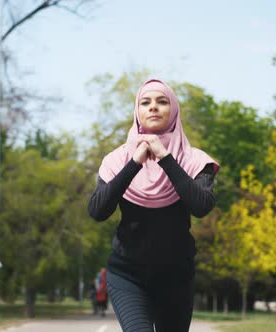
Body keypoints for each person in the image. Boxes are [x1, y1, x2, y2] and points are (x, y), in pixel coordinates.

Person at [87, 79, 219, 332]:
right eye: (145, 103)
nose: (153, 108)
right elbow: (97, 211)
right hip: (127, 276)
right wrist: (134, 162)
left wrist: (166, 157)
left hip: (176, 279)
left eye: (162, 102)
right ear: (137, 111)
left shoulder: (195, 160)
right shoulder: (116, 160)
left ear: (174, 110)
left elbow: (200, 206)